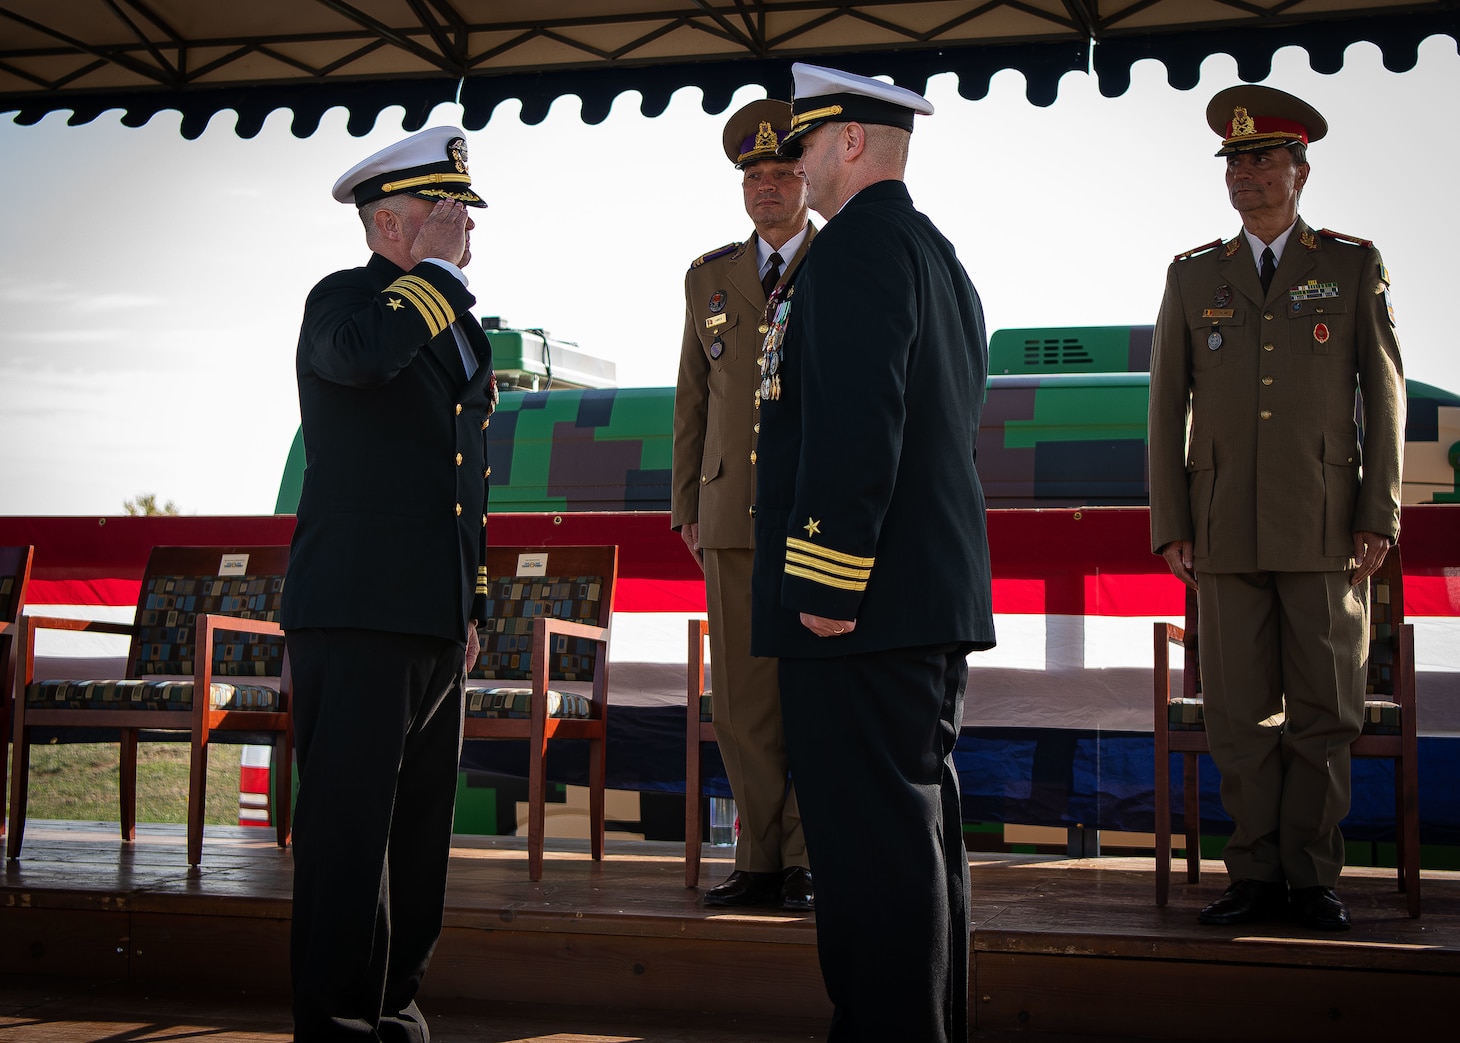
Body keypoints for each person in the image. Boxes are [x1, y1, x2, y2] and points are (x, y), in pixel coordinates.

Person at [750, 63, 996, 1041]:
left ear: (849, 140)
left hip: (859, 610)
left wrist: (823, 579)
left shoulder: (852, 248)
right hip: (921, 601)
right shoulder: (935, 251)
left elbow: (860, 424)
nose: (794, 161)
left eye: (805, 141)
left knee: (868, 854)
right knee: (919, 840)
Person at [1148, 85, 1405, 932]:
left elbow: (1386, 397)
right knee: (1238, 712)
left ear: (1300, 170)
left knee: (1326, 710)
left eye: (1263, 159)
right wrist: (1173, 522)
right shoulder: (1193, 276)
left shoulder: (1350, 264)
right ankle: (1254, 873)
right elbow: (1165, 408)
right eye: (1236, 161)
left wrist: (1380, 514)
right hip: (1222, 528)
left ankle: (1309, 875)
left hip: (1328, 524)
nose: (1247, 175)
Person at [281, 125, 496, 1041]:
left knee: (417, 831)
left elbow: (463, 477)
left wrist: (472, 602)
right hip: (357, 608)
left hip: (432, 614)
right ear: (385, 227)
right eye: (443, 214)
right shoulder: (343, 302)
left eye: (462, 216)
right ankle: (335, 1013)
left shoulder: (450, 324)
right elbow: (367, 357)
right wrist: (438, 278)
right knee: (347, 827)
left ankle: (393, 999)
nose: (463, 229)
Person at [672, 99, 816, 911]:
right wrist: (687, 501)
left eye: (782, 173)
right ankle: (757, 856)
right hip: (727, 518)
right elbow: (692, 398)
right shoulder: (709, 277)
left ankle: (804, 856)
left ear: (807, 178)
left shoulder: (840, 263)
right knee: (740, 702)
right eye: (754, 177)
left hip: (811, 517)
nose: (767, 188)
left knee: (807, 695)